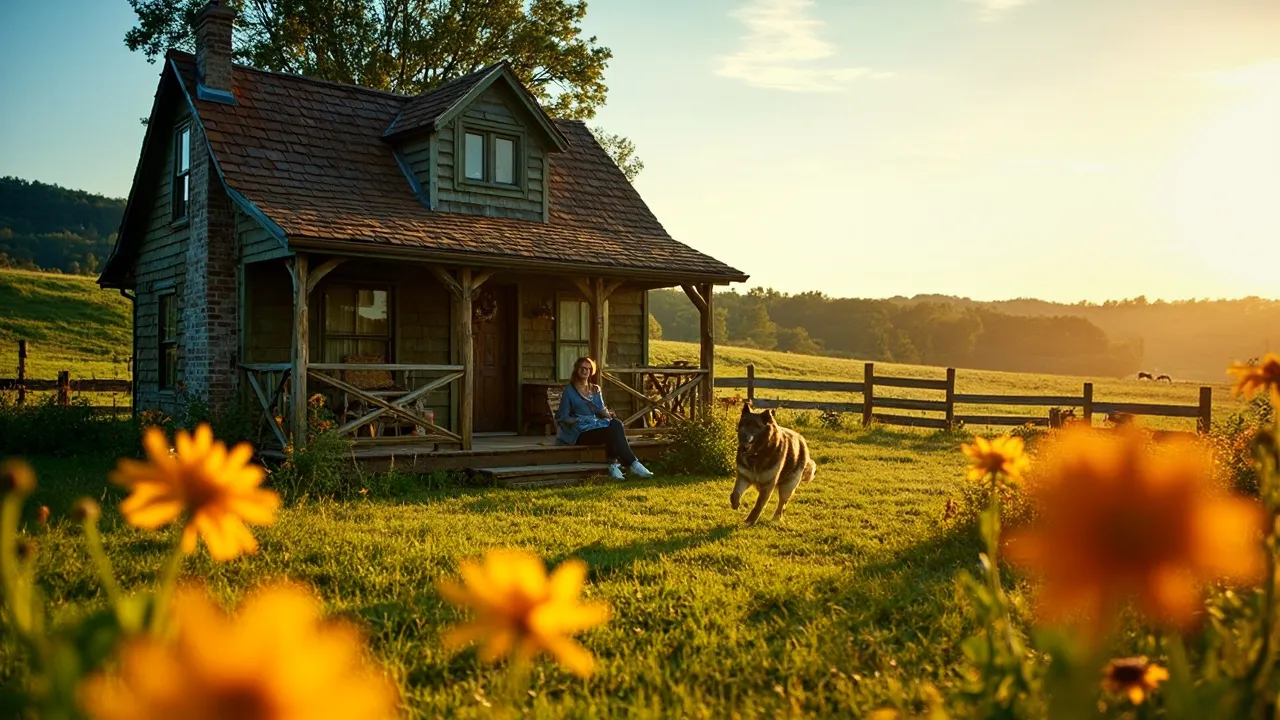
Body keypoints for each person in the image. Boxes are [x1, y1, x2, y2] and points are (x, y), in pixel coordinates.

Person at [556, 356, 654, 480]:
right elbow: (563, 417)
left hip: (597, 426)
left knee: (616, 424)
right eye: (582, 368)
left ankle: (618, 465)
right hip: (580, 431)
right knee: (612, 431)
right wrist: (578, 420)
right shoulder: (569, 391)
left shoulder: (595, 389)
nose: (585, 371)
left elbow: (601, 411)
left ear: (591, 371)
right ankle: (630, 464)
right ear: (576, 369)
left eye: (588, 368)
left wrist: (607, 414)